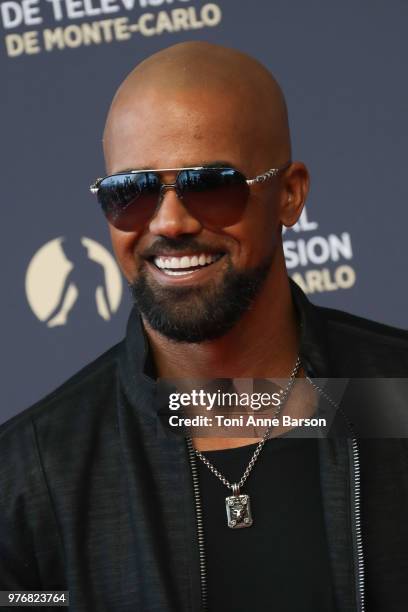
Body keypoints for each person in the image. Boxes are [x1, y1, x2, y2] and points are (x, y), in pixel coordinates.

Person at [1, 41, 408, 612]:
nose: (170, 222)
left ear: (289, 195)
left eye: (211, 185)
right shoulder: (34, 475)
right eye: (131, 193)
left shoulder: (394, 397)